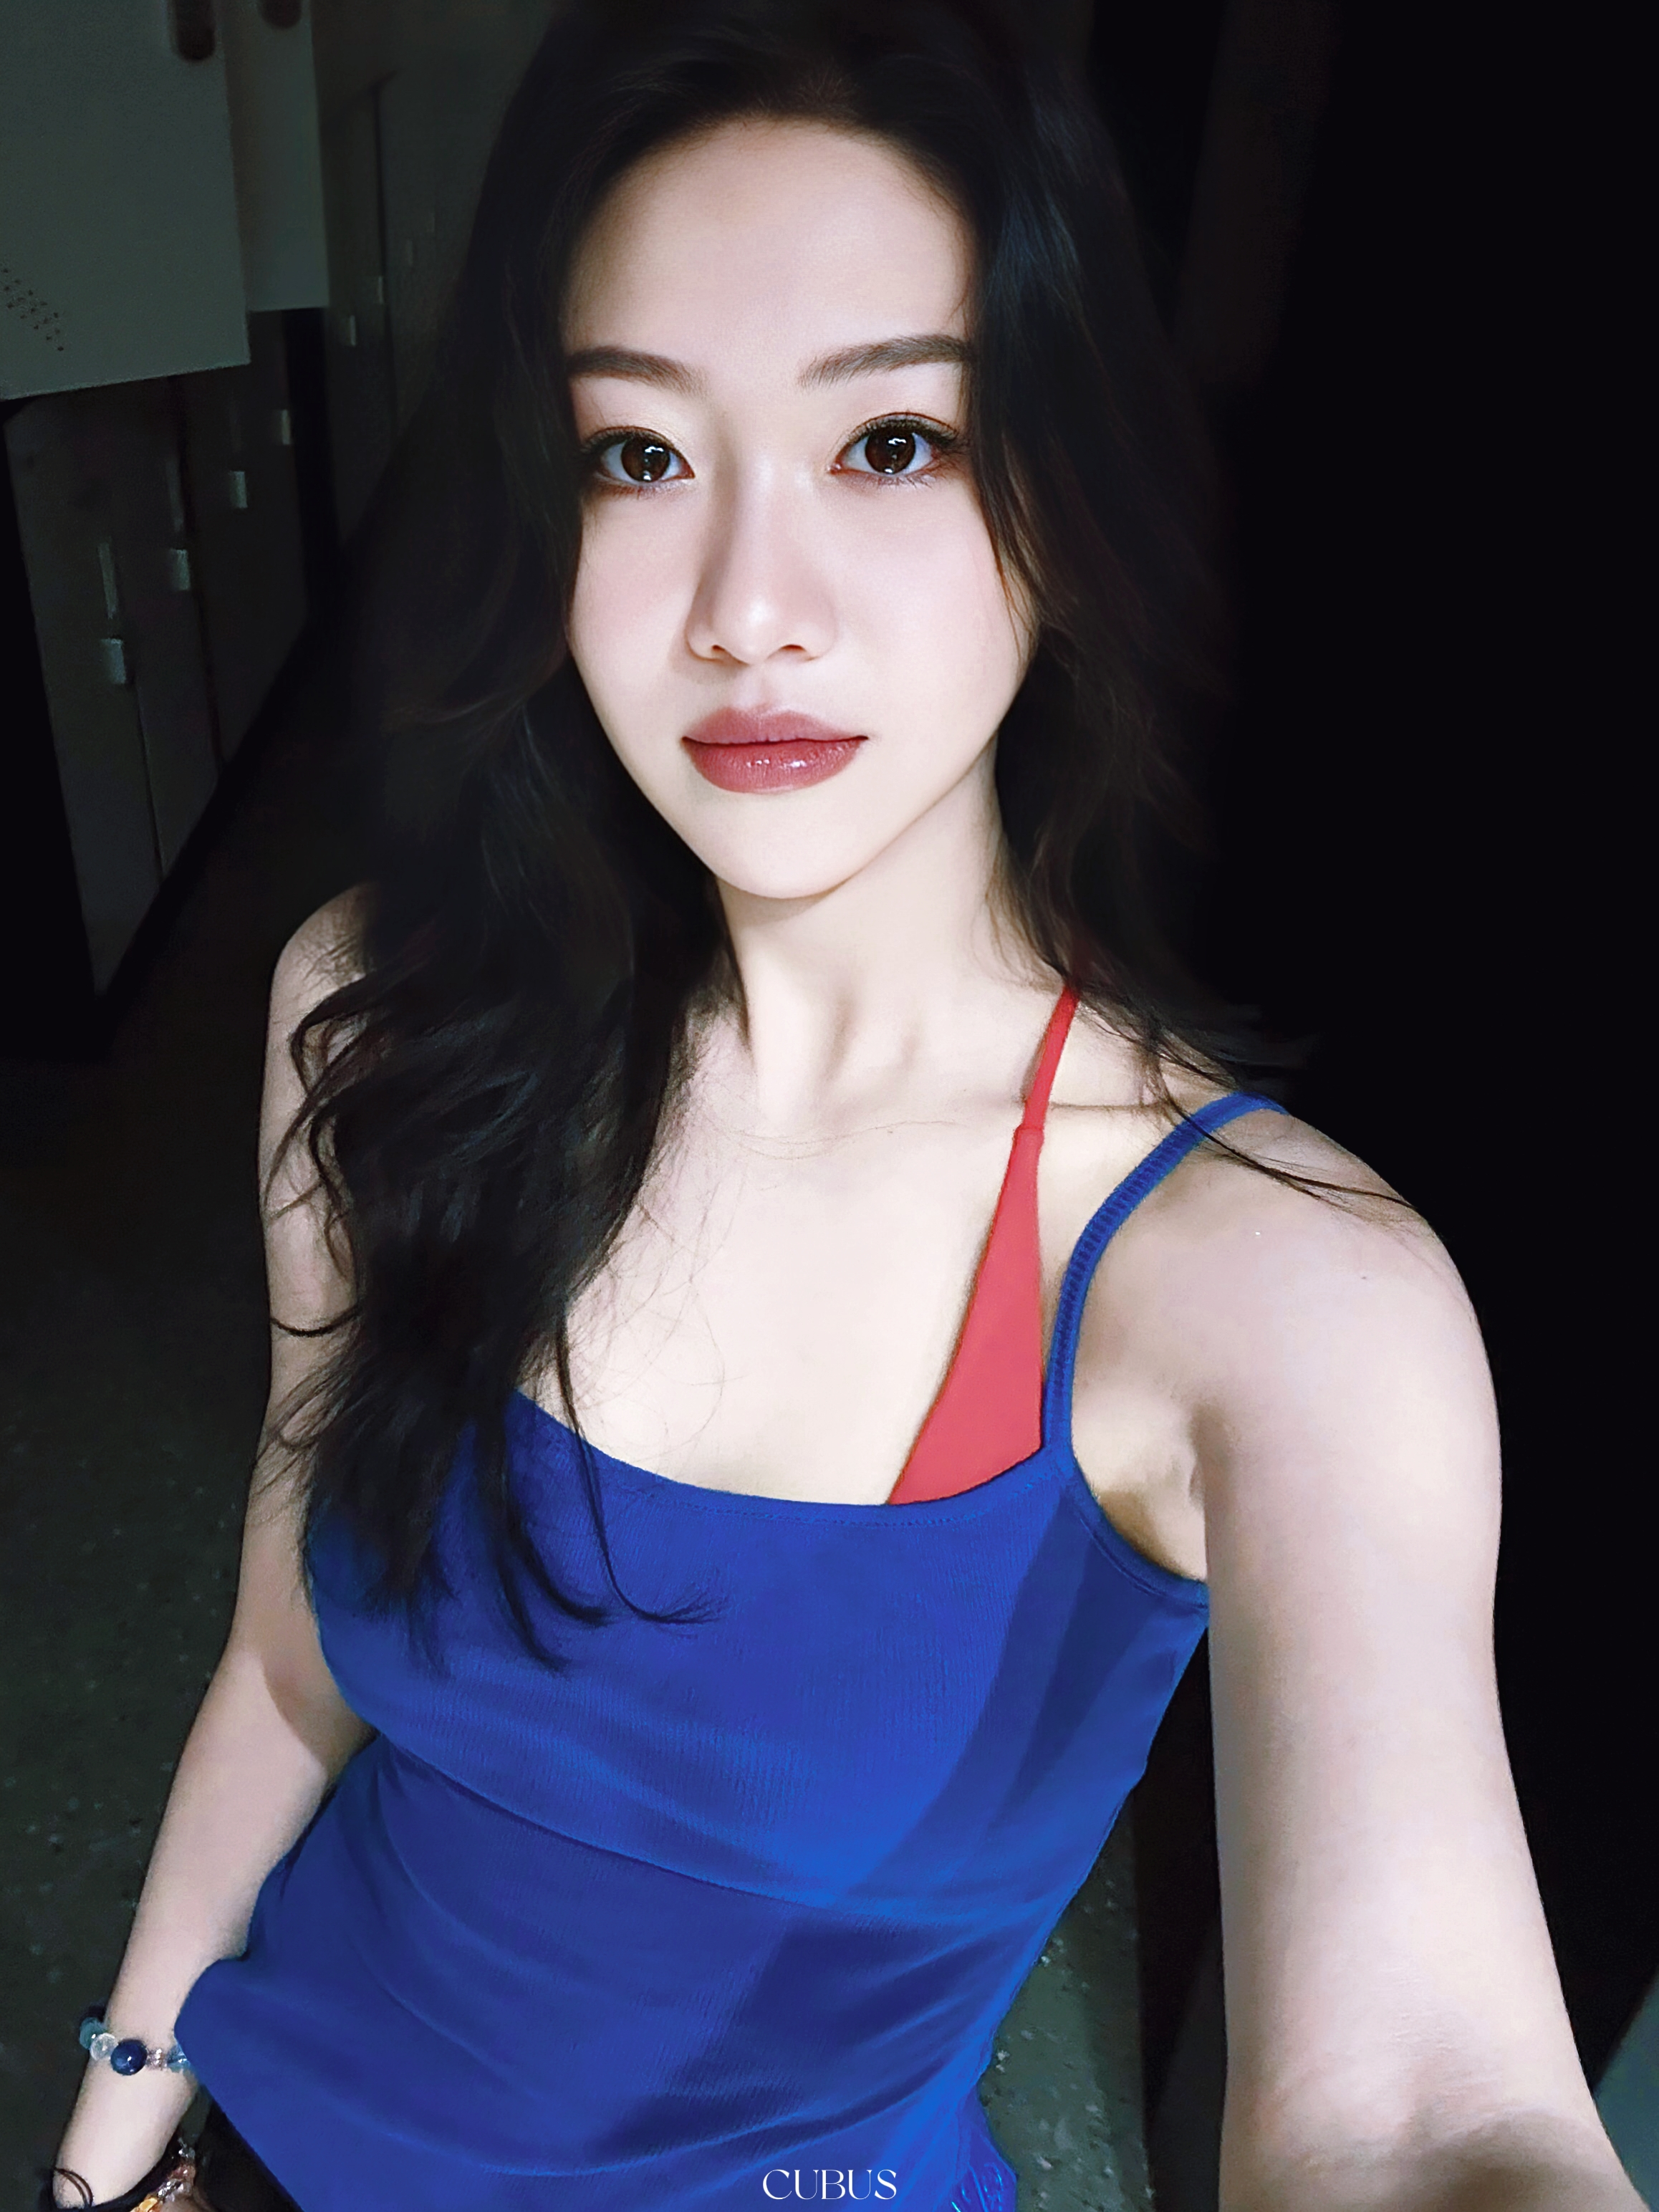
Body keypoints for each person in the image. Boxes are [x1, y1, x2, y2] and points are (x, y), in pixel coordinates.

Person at [42, 2, 1640, 2208]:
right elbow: (284, 1648)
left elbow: (1425, 2112)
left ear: (1064, 504)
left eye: (890, 442)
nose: (743, 613)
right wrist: (116, 2131)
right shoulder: (384, 1017)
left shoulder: (1271, 1294)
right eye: (637, 454)